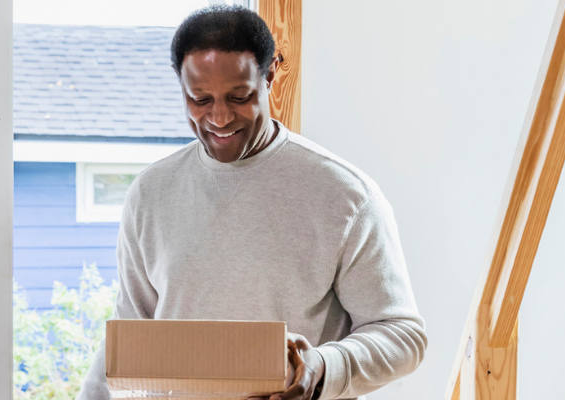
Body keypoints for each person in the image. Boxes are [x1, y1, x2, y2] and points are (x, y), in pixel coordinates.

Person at [76, 5, 427, 400]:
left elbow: (402, 335)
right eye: (200, 100)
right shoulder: (151, 193)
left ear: (270, 75)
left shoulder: (345, 195)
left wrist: (324, 366)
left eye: (239, 96)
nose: (221, 117)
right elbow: (131, 331)